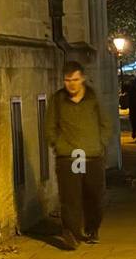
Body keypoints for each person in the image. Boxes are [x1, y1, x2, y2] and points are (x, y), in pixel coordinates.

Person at [44, 61, 111, 249]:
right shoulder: (57, 99)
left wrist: (101, 142)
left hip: (91, 154)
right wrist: (58, 145)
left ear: (82, 78)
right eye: (67, 80)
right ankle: (71, 231)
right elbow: (50, 125)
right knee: (70, 196)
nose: (71, 84)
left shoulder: (92, 98)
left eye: (74, 80)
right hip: (69, 155)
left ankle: (92, 227)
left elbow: (105, 122)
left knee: (94, 195)